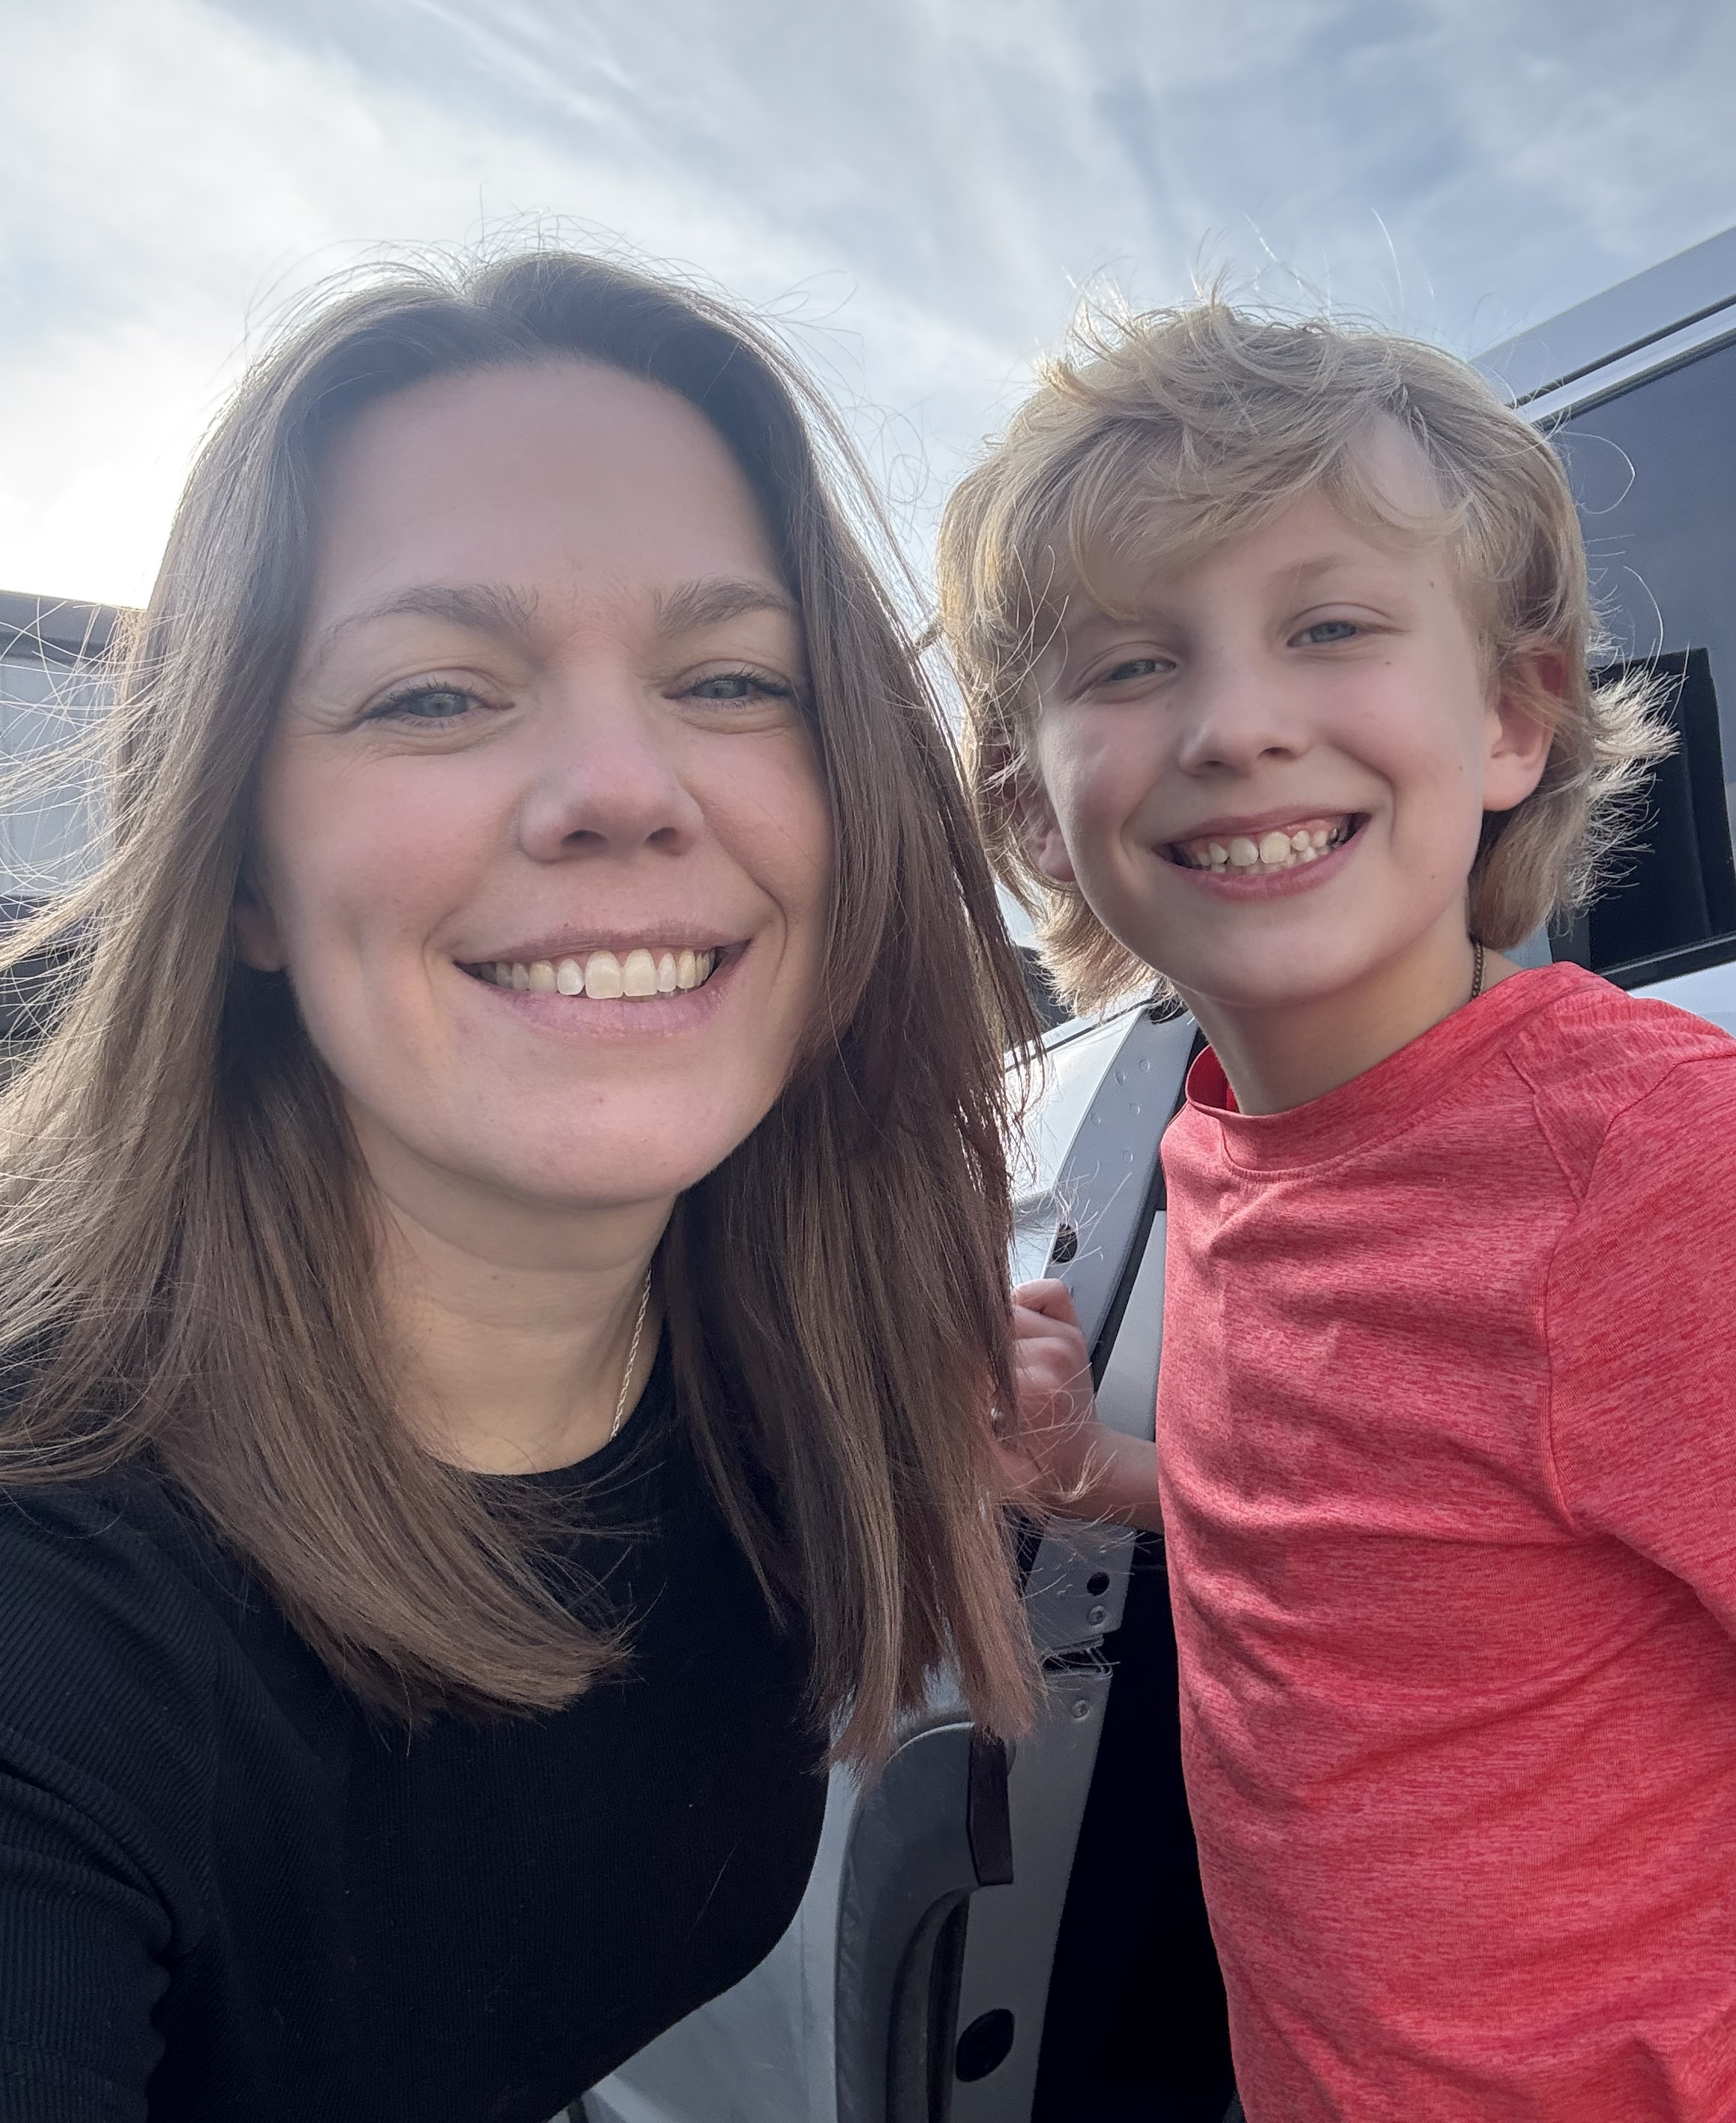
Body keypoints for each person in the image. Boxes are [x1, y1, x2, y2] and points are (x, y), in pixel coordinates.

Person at [0, 247, 1035, 2122]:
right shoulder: (55, 1588)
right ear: (239, 869)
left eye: (733, 678)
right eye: (432, 696)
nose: (622, 786)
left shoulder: (791, 1369)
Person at [937, 298, 1736, 2121]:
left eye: (1330, 627)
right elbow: (1395, 1553)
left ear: (1515, 716)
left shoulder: (1647, 1174)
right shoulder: (1226, 1143)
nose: (1237, 724)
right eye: (1132, 661)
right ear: (1034, 811)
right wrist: (1096, 1474)